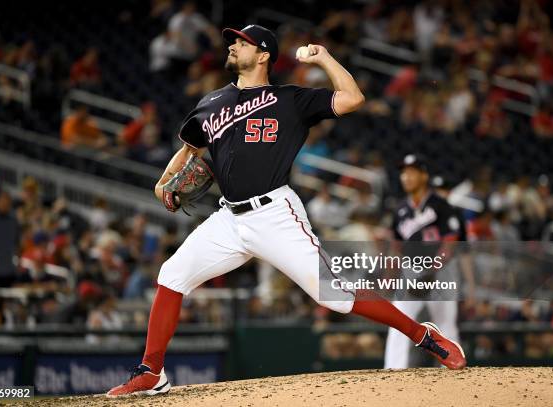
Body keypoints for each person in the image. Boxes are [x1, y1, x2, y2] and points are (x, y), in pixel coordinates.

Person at [107, 25, 465, 397]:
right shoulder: (211, 102)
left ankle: (423, 334)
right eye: (234, 40)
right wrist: (162, 182)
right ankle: (152, 371)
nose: (233, 45)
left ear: (263, 55)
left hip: (275, 214)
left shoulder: (290, 100)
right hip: (228, 218)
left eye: (242, 42)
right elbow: (190, 151)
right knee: (172, 274)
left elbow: (352, 98)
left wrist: (324, 57)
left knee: (335, 297)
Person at [384, 155, 463, 369]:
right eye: (403, 172)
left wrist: (433, 271)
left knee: (446, 324)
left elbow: (450, 243)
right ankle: (392, 372)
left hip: (440, 272)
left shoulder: (441, 206)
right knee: (397, 321)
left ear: (424, 175)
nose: (406, 177)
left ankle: (453, 371)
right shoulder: (400, 209)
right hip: (411, 271)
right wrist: (391, 276)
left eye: (411, 172)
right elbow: (396, 247)